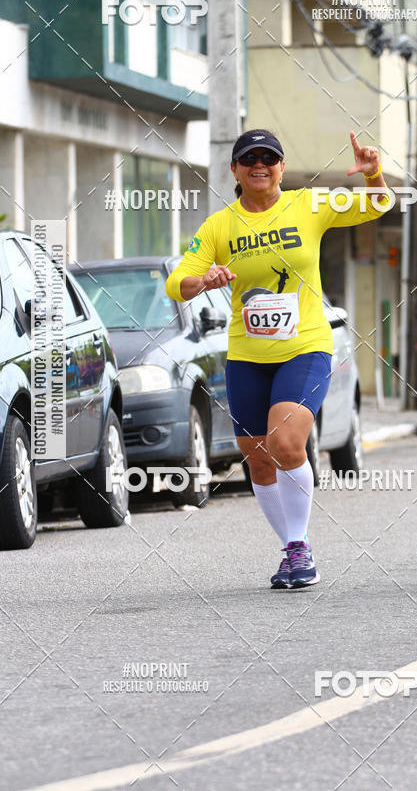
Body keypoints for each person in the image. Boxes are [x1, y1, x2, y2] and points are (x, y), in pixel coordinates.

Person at [166, 129, 388, 589]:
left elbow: (378, 205)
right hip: (247, 355)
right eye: (249, 158)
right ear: (234, 169)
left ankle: (301, 545)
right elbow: (177, 283)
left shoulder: (309, 204)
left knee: (286, 444)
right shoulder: (219, 227)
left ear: (282, 167)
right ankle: (291, 548)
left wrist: (374, 174)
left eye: (269, 157)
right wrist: (204, 280)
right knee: (259, 460)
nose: (259, 165)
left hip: (305, 347)